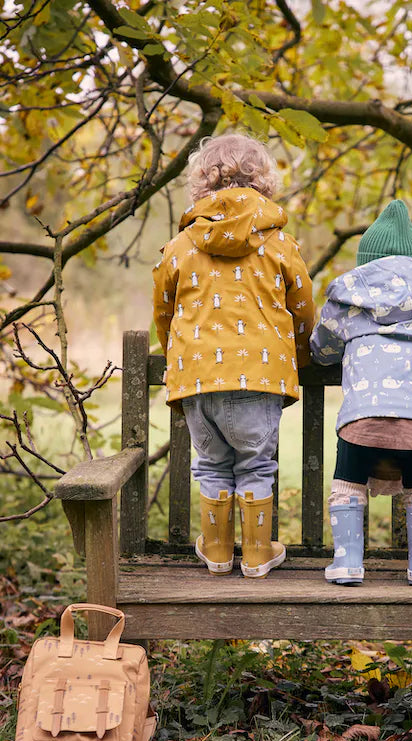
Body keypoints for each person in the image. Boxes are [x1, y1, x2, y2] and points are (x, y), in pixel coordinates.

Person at [153, 133, 315, 579]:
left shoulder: (181, 246)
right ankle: (258, 555)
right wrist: (297, 357)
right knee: (257, 463)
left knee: (211, 466)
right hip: (259, 378)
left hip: (196, 380)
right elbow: (302, 309)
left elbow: (163, 312)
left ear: (200, 182)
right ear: (264, 180)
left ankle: (220, 553)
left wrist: (175, 358)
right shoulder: (281, 243)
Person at [310, 199, 412, 586]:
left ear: (367, 260)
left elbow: (322, 348)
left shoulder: (350, 295)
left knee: (348, 479)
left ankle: (347, 561)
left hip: (362, 414)